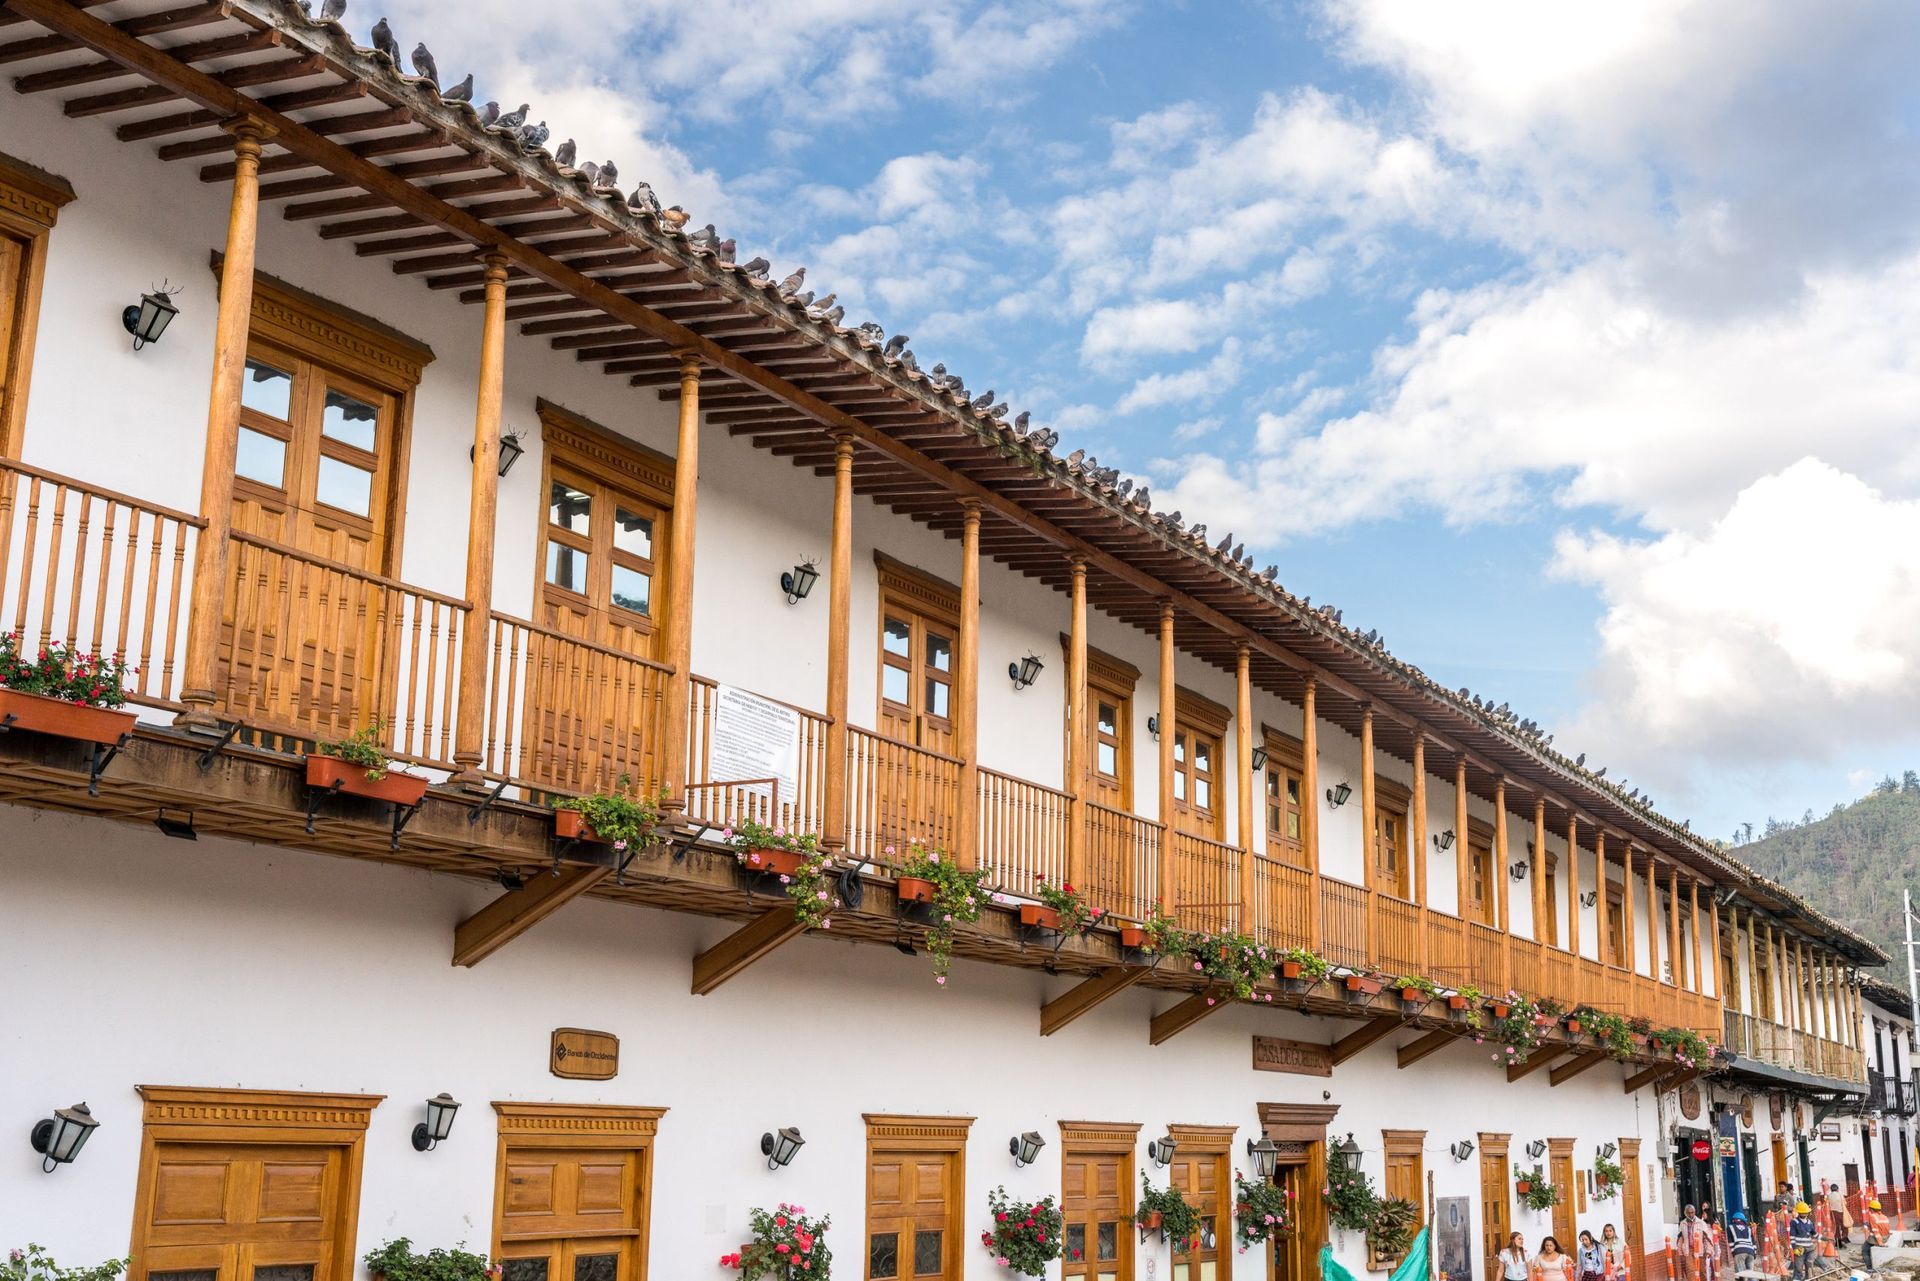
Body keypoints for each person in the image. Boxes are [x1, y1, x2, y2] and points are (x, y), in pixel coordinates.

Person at [1789, 1201, 1817, 1280]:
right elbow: (1792, 1236)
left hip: (1810, 1248)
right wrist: (1794, 1248)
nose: (1804, 1214)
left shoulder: (1810, 1222)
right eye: (1802, 1213)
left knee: (1809, 1264)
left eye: (1806, 1213)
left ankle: (1808, 1278)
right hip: (1799, 1248)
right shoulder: (1794, 1222)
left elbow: (1814, 1233)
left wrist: (1825, 1238)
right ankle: (1797, 1278)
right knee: (1798, 1267)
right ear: (1799, 1213)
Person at [1827, 1181, 1851, 1247]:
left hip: (1832, 1213)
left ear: (1831, 1189)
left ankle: (1838, 1241)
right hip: (1841, 1212)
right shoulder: (1840, 1194)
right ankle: (1844, 1238)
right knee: (1844, 1226)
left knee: (1836, 1227)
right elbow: (1845, 1203)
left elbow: (1827, 1204)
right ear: (1837, 1189)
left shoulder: (1829, 1196)